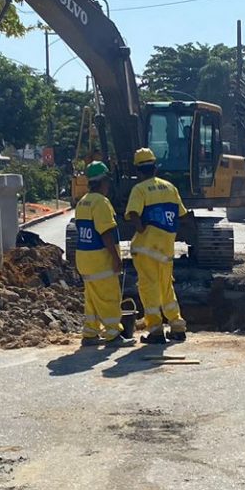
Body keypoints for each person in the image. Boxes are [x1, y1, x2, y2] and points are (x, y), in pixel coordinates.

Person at [124, 147, 189, 345]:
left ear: (138, 170)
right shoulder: (170, 187)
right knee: (166, 287)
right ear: (155, 168)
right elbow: (181, 214)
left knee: (148, 288)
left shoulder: (140, 189)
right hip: (166, 248)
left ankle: (156, 330)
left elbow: (134, 213)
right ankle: (177, 327)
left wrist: (140, 227)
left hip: (146, 249)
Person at [75, 162, 133, 347]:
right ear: (103, 182)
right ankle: (113, 334)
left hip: (84, 258)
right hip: (100, 259)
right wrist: (116, 258)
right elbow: (106, 232)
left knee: (92, 298)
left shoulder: (82, 201)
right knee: (109, 297)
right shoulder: (101, 203)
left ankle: (90, 333)